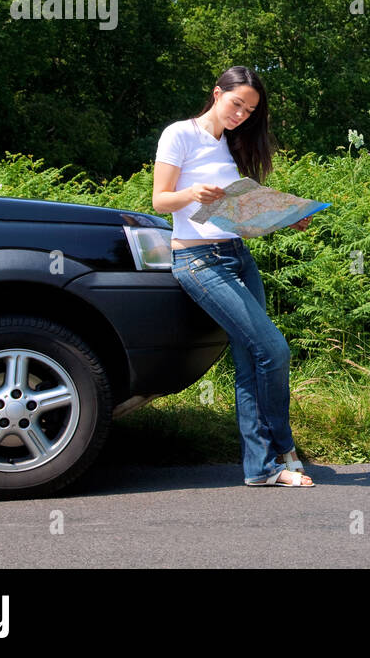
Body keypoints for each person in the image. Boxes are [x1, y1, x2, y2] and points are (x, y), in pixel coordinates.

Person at [152, 66, 315, 487]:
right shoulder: (179, 134)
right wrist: (191, 193)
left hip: (237, 256)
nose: (241, 114)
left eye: (250, 110)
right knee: (274, 350)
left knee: (251, 362)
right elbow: (159, 200)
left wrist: (283, 217)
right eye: (236, 104)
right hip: (198, 261)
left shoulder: (230, 145)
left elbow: (239, 214)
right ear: (216, 93)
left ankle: (260, 469)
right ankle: (284, 449)